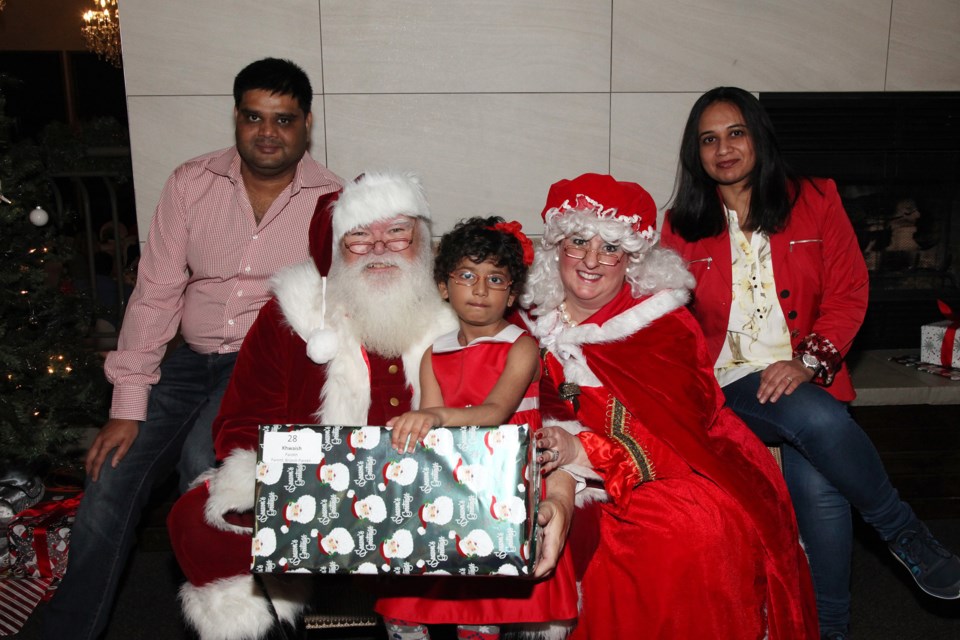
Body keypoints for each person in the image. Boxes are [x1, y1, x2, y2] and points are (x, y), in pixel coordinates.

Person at [164, 173, 577, 639]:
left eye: (397, 231)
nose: (379, 246)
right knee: (196, 520)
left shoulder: (473, 306)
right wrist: (271, 479)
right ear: (335, 248)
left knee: (567, 518)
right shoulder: (289, 315)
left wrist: (560, 487)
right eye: (360, 235)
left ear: (422, 241)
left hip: (445, 493)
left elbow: (545, 410)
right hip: (326, 496)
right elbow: (243, 416)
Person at [42, 58, 343, 640]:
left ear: (306, 124)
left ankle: (236, 626)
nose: (267, 132)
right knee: (108, 475)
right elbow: (155, 293)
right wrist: (127, 405)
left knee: (202, 468)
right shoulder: (191, 182)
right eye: (254, 116)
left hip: (265, 370)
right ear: (236, 116)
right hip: (187, 361)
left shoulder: (331, 200)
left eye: (284, 120)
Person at [659, 86, 960, 639]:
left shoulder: (815, 198)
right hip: (727, 380)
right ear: (694, 152)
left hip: (806, 371)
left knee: (820, 483)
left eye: (735, 133)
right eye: (709, 139)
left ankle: (830, 631)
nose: (723, 148)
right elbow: (667, 316)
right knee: (822, 420)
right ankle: (903, 533)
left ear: (758, 137)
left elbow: (849, 291)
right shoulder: (681, 223)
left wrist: (808, 361)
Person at [522, 173, 819, 638]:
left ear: (632, 259)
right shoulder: (530, 324)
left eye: (611, 248)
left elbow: (680, 438)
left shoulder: (663, 327)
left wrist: (579, 453)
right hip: (552, 471)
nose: (592, 260)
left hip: (679, 470)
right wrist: (562, 477)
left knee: (682, 528)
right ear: (558, 245)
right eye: (579, 241)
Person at [379, 217, 578, 639]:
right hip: (454, 474)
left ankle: (479, 627)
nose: (481, 289)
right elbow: (431, 429)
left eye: (496, 279)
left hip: (505, 476)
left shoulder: (520, 344)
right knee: (418, 564)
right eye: (467, 276)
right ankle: (410, 623)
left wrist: (433, 418)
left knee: (484, 587)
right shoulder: (434, 353)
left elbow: (495, 412)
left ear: (511, 294)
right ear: (443, 286)